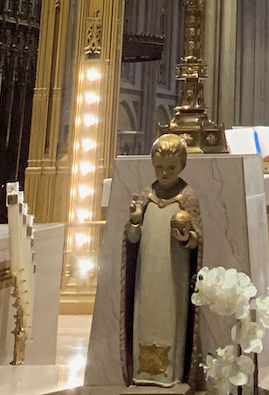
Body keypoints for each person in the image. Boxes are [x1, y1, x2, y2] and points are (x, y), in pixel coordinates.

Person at [122, 134, 203, 387]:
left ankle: (172, 372)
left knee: (172, 318)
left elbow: (196, 242)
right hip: (146, 275)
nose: (164, 173)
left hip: (174, 275)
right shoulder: (146, 197)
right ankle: (143, 372)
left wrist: (186, 237)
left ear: (182, 166)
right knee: (145, 316)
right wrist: (135, 220)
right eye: (159, 168)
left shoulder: (186, 197)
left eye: (171, 168)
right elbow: (132, 241)